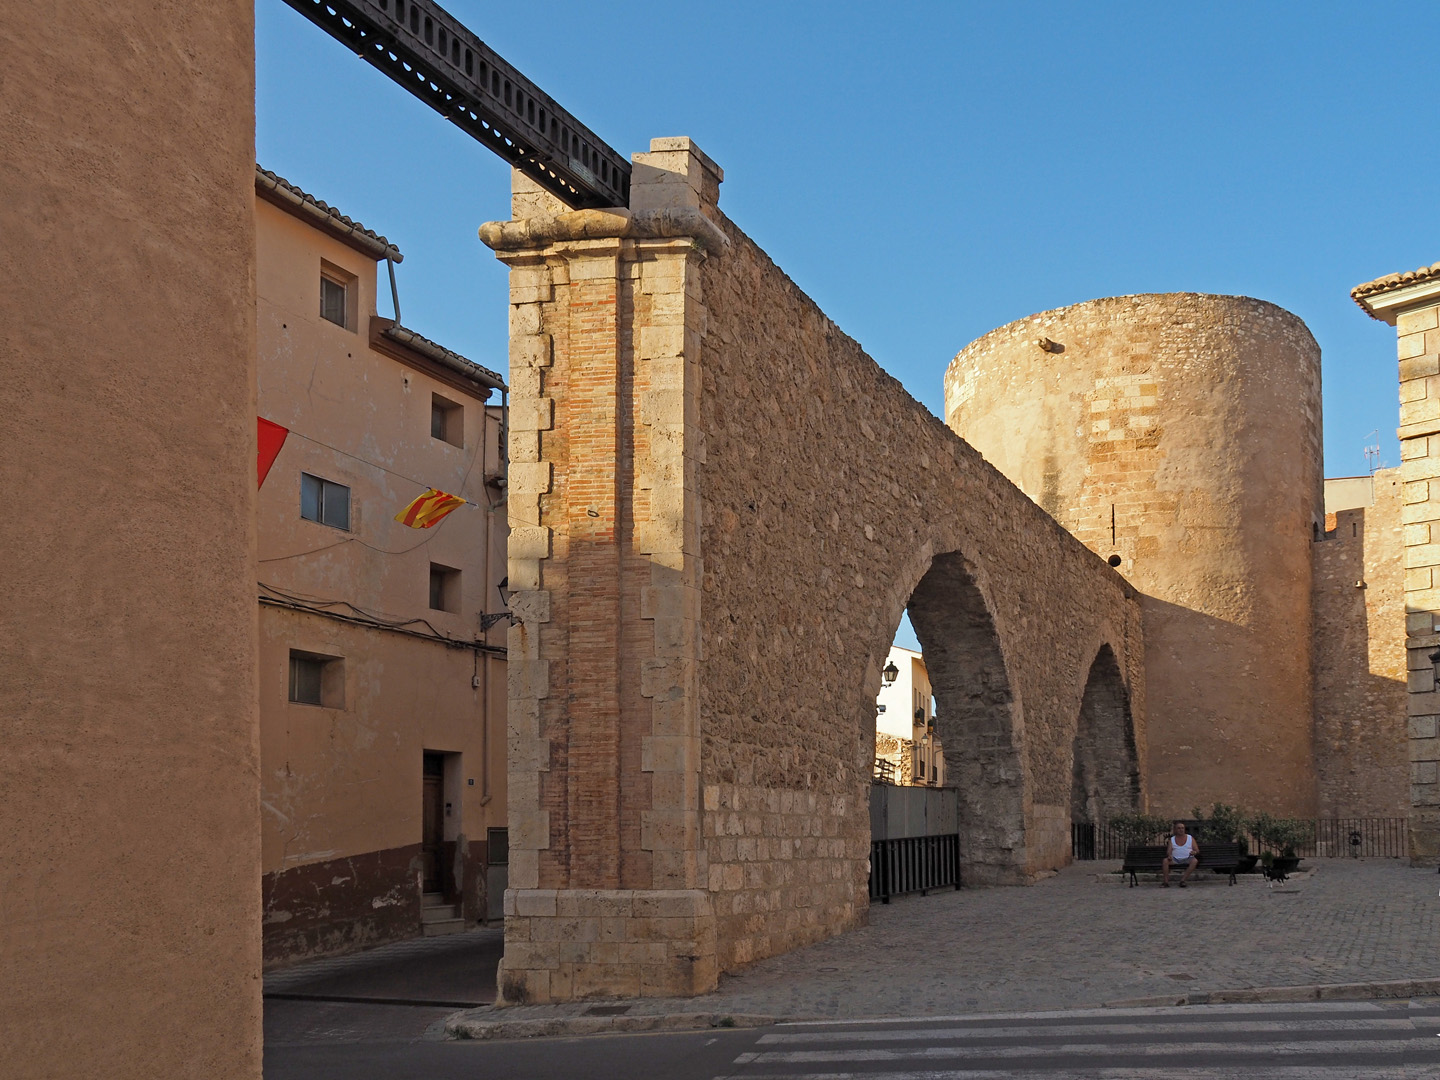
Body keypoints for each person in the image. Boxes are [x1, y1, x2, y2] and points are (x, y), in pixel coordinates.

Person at [1162, 821, 1199, 888]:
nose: (1181, 830)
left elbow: (1197, 850)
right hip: (1175, 859)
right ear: (1175, 830)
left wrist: (1194, 852)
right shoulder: (1172, 839)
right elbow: (1169, 851)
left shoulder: (1190, 838)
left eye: (1182, 828)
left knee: (1195, 861)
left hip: (1188, 858)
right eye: (1179, 828)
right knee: (1165, 861)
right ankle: (1166, 882)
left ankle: (1183, 881)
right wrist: (1169, 855)